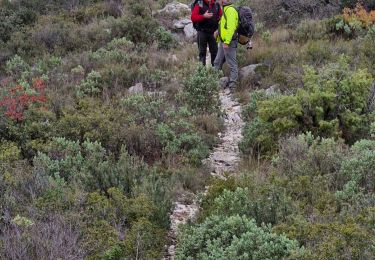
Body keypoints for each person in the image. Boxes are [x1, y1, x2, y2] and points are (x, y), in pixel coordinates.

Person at [214, 0, 239, 90]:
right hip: (223, 41)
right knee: (217, 62)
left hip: (229, 42)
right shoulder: (225, 9)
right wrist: (218, 32)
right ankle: (213, 83)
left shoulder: (230, 10)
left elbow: (231, 27)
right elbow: (224, 26)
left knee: (232, 64)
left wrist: (227, 41)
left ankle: (233, 86)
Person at [191, 0, 222, 66]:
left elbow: (221, 16)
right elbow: (193, 17)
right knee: (202, 53)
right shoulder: (199, 3)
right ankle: (202, 72)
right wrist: (203, 16)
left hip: (213, 32)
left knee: (215, 52)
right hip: (202, 32)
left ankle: (215, 72)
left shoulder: (216, 4)